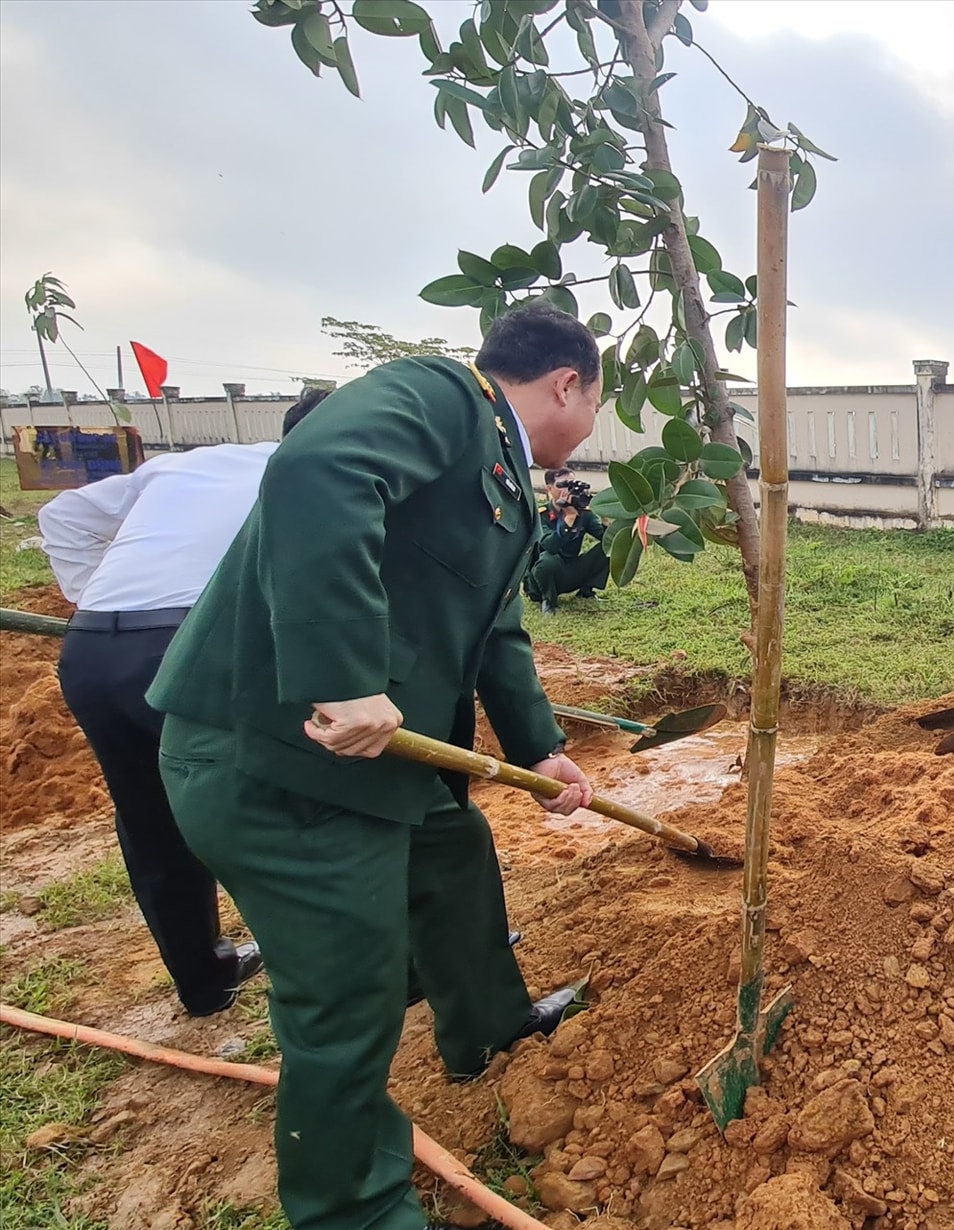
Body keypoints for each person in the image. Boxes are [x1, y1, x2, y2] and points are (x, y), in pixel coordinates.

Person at [146, 305, 605, 1230]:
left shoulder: (506, 477)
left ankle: (485, 1030)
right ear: (567, 383)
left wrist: (539, 749)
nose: (593, 424)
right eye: (599, 402)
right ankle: (353, 1207)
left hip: (375, 769)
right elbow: (318, 468)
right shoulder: (441, 398)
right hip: (280, 765)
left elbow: (493, 629)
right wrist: (342, 675)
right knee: (347, 995)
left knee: (454, 852)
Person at [38, 389, 327, 1017]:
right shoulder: (318, 474)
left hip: (92, 652)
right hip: (193, 647)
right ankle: (337, 974)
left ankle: (203, 980)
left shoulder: (191, 461)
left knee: (150, 822)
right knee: (275, 804)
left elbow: (61, 516)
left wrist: (100, 601)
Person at [528, 466, 609, 614]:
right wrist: (569, 518)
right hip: (541, 579)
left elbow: (607, 540)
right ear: (550, 489)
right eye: (564, 485)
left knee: (609, 549)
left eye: (572, 485)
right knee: (548, 560)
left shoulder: (583, 514)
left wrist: (605, 520)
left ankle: (586, 591)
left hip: (570, 570)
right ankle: (548, 601)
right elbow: (549, 546)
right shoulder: (541, 515)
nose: (569, 491)